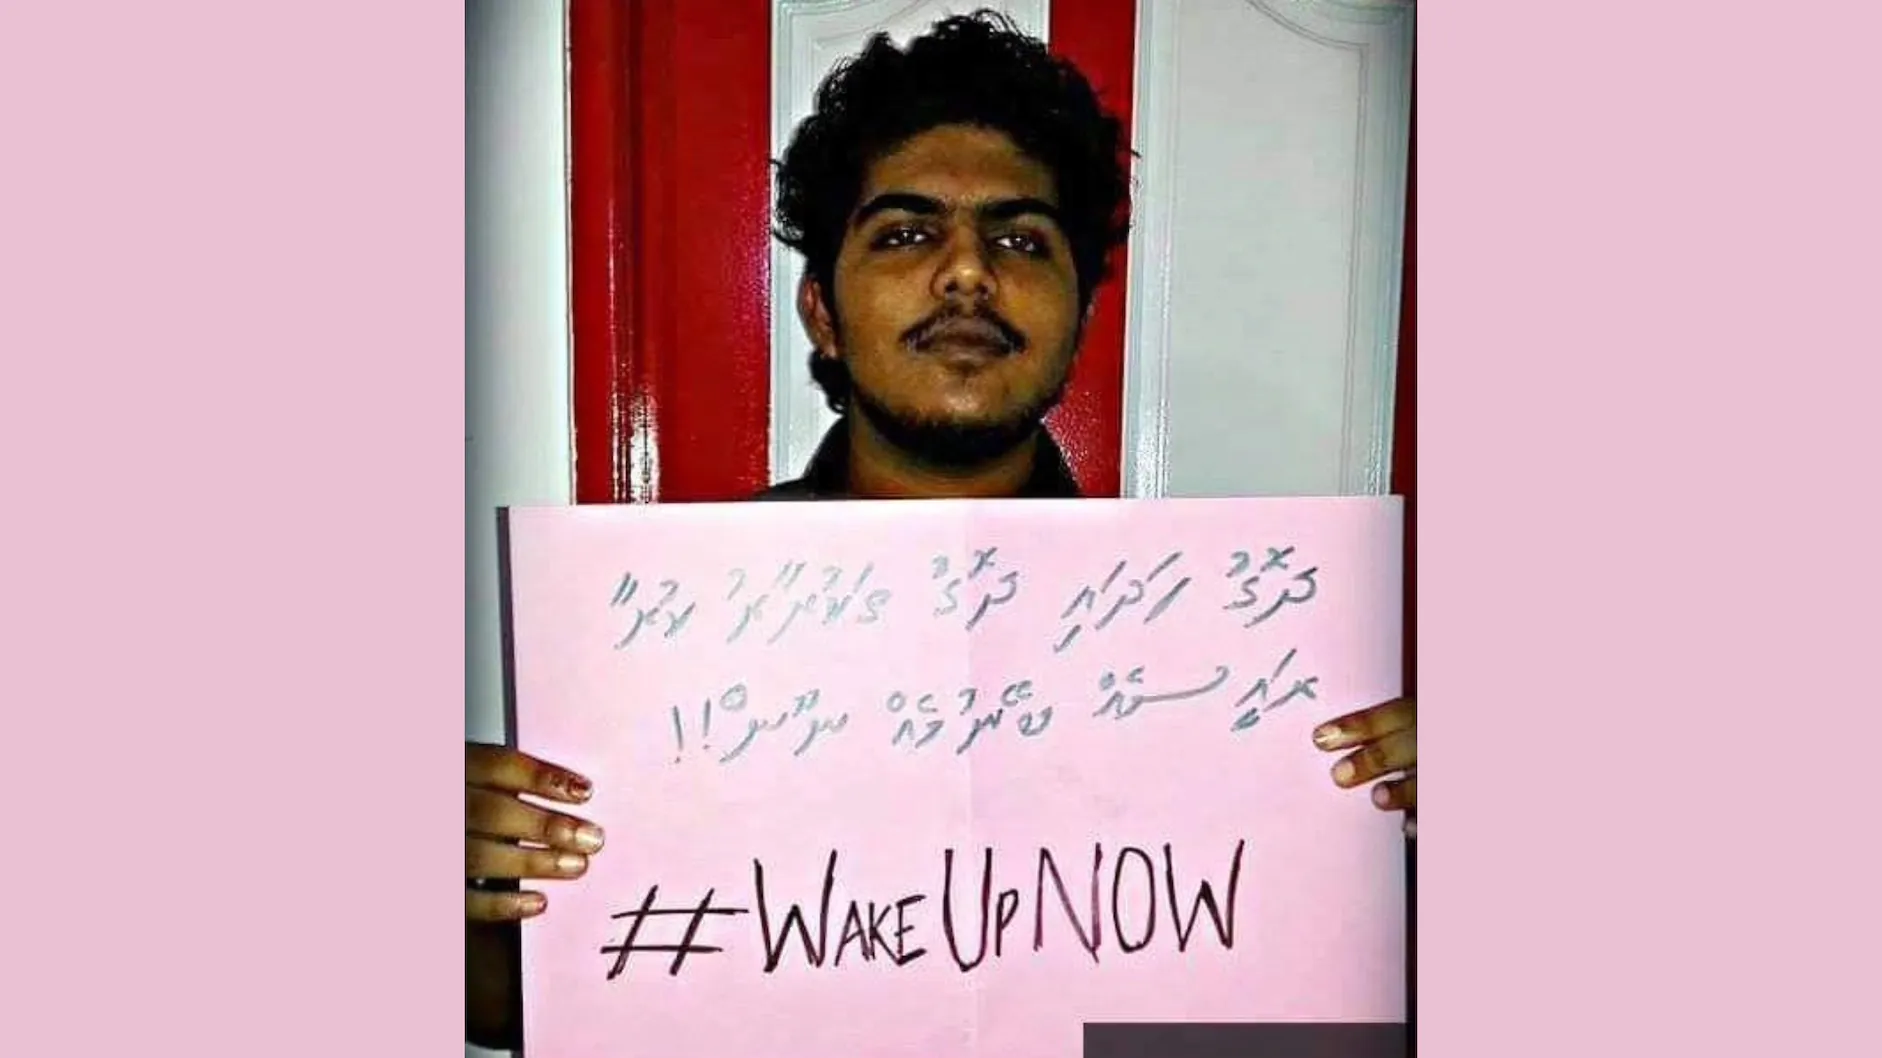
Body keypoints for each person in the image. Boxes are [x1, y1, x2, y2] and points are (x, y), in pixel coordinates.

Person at [465, 10, 1416, 1048]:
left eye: (1020, 238)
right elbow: (550, 1001)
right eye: (907, 233)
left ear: (1079, 316)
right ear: (822, 313)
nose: (967, 272)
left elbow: (1297, 990)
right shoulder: (651, 637)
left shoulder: (1235, 654)